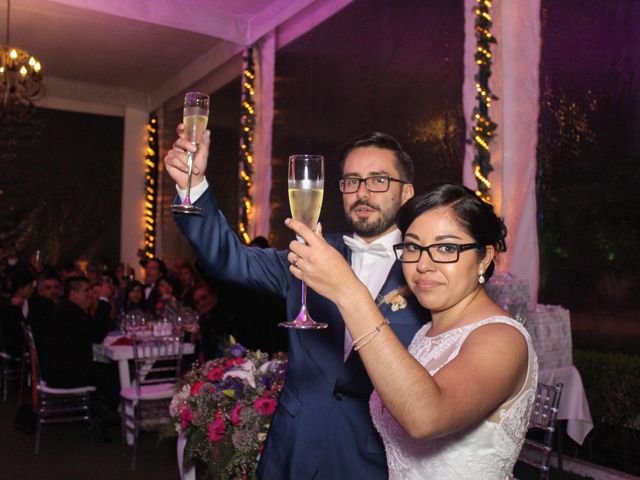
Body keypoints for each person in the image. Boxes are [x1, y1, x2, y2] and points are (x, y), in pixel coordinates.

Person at [165, 129, 426, 479]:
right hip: (292, 450)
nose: (362, 192)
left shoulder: (426, 272)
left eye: (378, 180)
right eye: (351, 181)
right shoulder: (309, 254)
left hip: (372, 460)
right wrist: (194, 186)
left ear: (406, 192)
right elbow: (228, 258)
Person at [284, 183, 538, 479]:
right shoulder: (425, 333)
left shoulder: (502, 339)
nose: (423, 264)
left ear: (484, 257)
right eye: (413, 247)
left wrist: (349, 292)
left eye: (446, 248)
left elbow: (426, 417)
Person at [40, 276, 120, 417]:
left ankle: (105, 410)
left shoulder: (68, 309)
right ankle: (109, 413)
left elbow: (94, 331)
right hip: (64, 374)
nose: (90, 294)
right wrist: (103, 299)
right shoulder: (69, 312)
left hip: (63, 368)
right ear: (73, 294)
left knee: (109, 364)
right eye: (86, 291)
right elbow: (97, 333)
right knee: (113, 368)